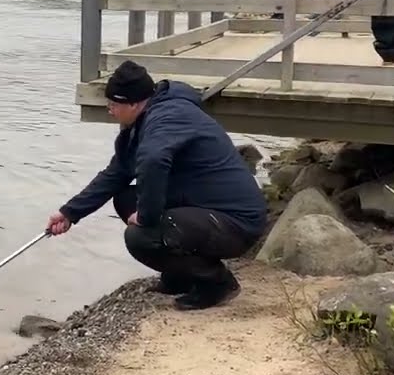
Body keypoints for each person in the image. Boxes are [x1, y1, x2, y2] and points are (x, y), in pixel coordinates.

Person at [46, 60, 268, 310]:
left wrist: (147, 217)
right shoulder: (143, 121)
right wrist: (70, 213)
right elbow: (116, 173)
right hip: (203, 205)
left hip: (236, 222)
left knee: (141, 236)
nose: (109, 110)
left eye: (113, 104)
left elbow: (153, 160)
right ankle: (181, 275)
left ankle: (217, 284)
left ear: (133, 103)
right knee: (125, 198)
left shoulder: (167, 118)